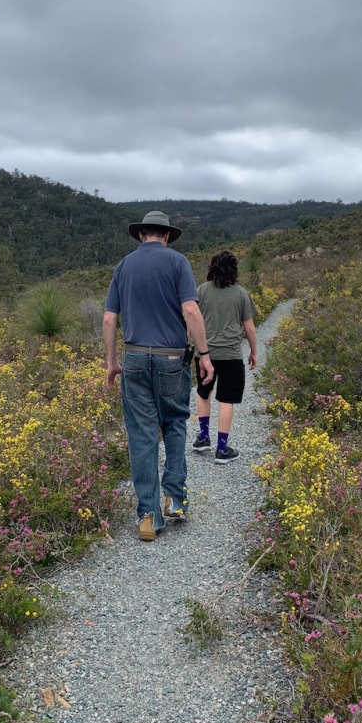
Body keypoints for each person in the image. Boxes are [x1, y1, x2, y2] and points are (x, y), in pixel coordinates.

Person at [103, 211, 214, 542]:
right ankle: (175, 500)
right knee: (175, 423)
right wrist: (204, 354)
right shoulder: (178, 263)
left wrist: (112, 362)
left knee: (141, 435)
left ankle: (148, 517)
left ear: (141, 236)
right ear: (166, 235)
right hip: (170, 359)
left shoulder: (123, 267)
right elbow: (191, 310)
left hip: (134, 358)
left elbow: (110, 319)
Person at [193, 250, 258, 463]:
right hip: (231, 354)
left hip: (204, 354)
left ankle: (203, 437)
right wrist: (254, 352)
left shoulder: (201, 290)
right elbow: (249, 328)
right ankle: (222, 449)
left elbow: (191, 320)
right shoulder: (241, 293)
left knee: (203, 392)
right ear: (234, 270)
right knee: (226, 400)